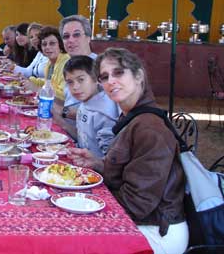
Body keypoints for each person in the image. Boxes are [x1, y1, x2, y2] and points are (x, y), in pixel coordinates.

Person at [68, 48, 188, 254]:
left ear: (139, 76)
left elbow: (138, 203)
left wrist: (84, 201)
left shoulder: (149, 127)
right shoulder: (133, 118)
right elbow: (128, 170)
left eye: (119, 72)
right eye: (104, 77)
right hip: (141, 220)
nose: (111, 81)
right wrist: (98, 163)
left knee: (72, 241)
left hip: (156, 232)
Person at [57, 55, 119, 154]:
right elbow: (83, 138)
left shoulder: (104, 114)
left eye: (81, 80)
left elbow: (109, 159)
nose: (75, 87)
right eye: (70, 82)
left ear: (96, 79)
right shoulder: (85, 103)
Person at [53, 15, 98, 124]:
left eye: (76, 35)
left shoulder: (99, 66)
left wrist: (62, 112)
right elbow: (70, 103)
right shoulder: (70, 64)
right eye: (66, 36)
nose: (71, 40)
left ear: (88, 37)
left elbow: (97, 112)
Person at [26, 26, 70, 101]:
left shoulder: (67, 63)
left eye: (52, 43)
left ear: (60, 45)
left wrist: (37, 89)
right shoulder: (50, 63)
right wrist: (30, 81)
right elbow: (48, 84)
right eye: (44, 44)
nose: (47, 47)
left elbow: (63, 95)